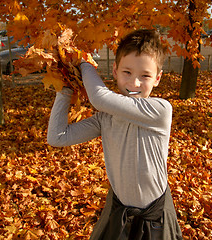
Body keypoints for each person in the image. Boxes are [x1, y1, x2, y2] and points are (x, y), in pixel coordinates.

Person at [47, 29, 183, 240]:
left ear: (157, 78)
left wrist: (81, 63)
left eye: (145, 75)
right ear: (115, 70)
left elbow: (99, 97)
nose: (134, 83)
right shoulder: (106, 118)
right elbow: (58, 137)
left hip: (155, 219)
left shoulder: (160, 110)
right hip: (119, 213)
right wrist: (65, 85)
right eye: (127, 72)